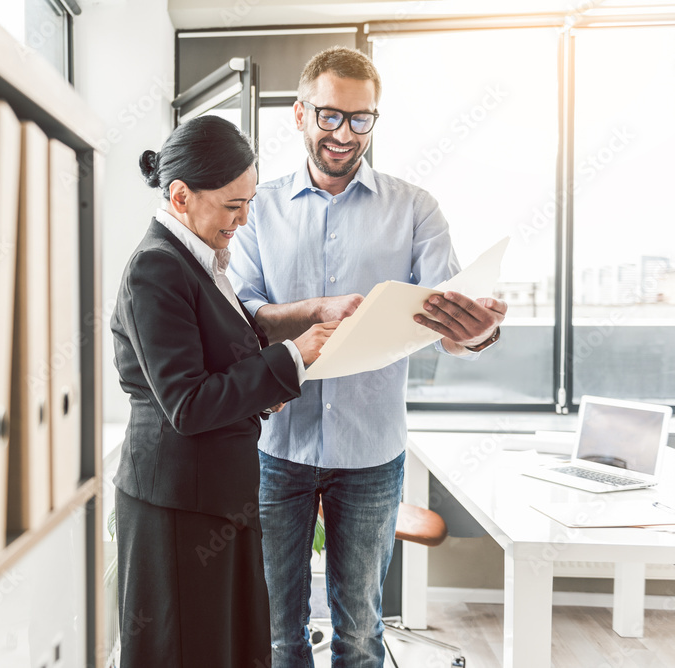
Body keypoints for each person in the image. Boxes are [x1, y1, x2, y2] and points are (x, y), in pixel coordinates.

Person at [227, 46, 508, 668]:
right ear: (300, 114)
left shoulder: (414, 208)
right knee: (278, 632)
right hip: (278, 445)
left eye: (361, 120)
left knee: (360, 634)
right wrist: (311, 311)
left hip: (372, 450)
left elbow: (448, 320)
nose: (344, 134)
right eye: (329, 116)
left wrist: (475, 330)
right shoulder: (257, 207)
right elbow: (239, 315)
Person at [110, 115, 340, 668]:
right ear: (181, 195)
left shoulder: (198, 259)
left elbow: (219, 359)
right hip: (177, 505)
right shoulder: (156, 269)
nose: (243, 220)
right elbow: (187, 404)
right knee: (186, 647)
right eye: (233, 205)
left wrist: (267, 385)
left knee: (225, 645)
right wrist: (293, 357)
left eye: (250, 203)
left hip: (215, 496)